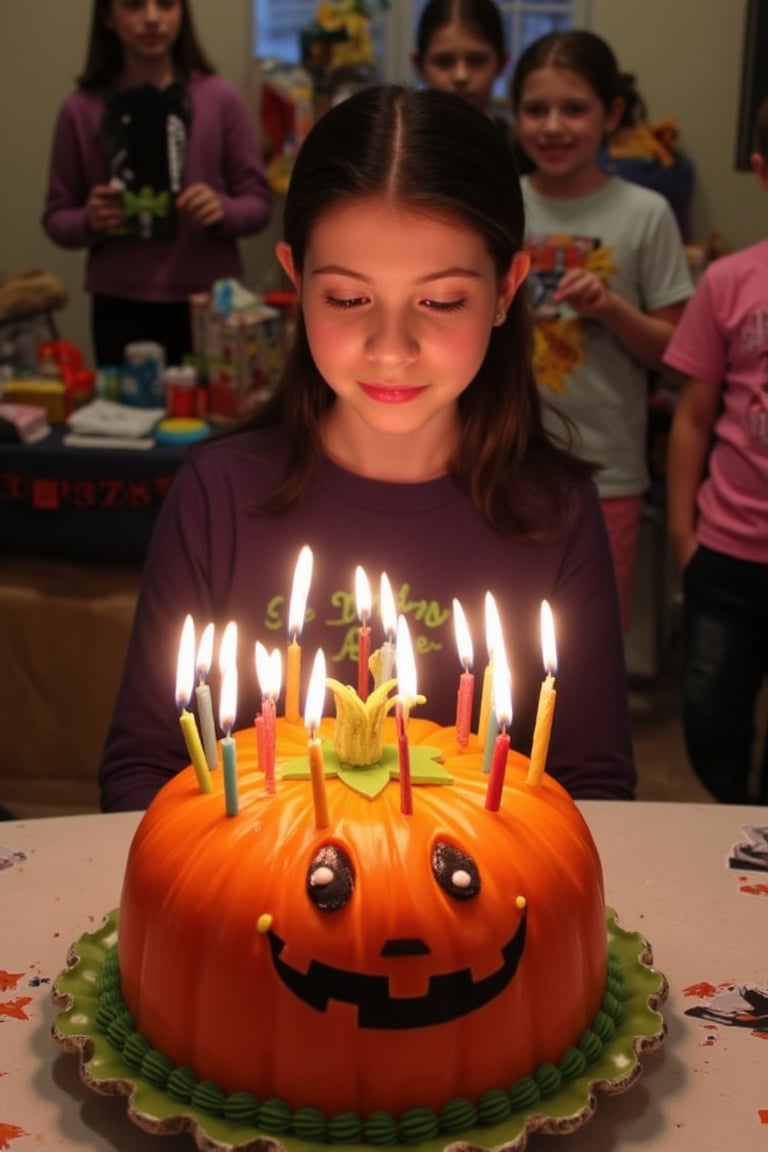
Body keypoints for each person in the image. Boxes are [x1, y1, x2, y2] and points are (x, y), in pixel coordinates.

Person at [97, 84, 636, 812]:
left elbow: (592, 789)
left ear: (507, 288)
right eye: (348, 300)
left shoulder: (556, 514)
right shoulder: (218, 494)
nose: (391, 350)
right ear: (295, 278)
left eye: (441, 301)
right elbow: (144, 768)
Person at [510, 30, 693, 632]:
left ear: (612, 114)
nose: (553, 126)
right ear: (515, 116)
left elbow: (675, 353)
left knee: (589, 635)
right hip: (505, 455)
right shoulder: (500, 204)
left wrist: (612, 307)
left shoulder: (645, 213)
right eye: (536, 109)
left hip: (605, 469)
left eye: (575, 108)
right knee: (503, 623)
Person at [42, 0, 272, 368]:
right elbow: (56, 217)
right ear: (107, 15)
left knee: (219, 420)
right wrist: (89, 219)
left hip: (212, 301)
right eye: (134, 5)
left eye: (166, 4)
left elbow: (259, 202)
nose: (152, 18)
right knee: (126, 420)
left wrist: (223, 209)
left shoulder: (219, 98)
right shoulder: (80, 109)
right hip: (119, 302)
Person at [662, 96, 768, 806]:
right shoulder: (730, 282)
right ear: (763, 171)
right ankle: (736, 814)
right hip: (726, 552)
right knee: (707, 713)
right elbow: (693, 417)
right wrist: (681, 532)